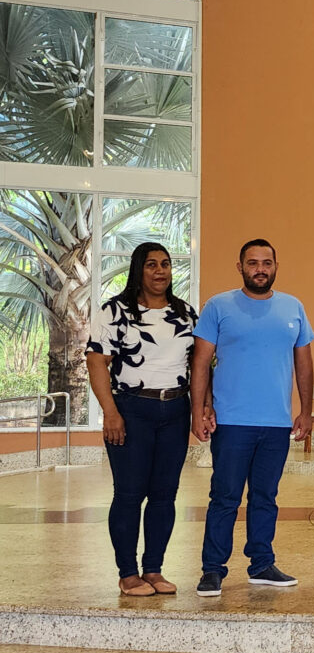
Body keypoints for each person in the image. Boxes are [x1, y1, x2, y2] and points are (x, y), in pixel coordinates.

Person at [190, 239, 314, 597]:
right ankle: (212, 569)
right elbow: (200, 362)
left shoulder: (293, 307)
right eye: (253, 262)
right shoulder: (218, 306)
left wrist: (305, 412)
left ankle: (261, 564)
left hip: (276, 423)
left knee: (265, 497)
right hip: (231, 423)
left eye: (266, 263)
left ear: (275, 266)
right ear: (240, 267)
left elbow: (304, 363)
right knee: (225, 497)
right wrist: (198, 411)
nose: (260, 269)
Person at [86, 243, 203, 596]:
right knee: (129, 493)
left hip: (175, 411)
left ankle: (153, 569)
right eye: (151, 264)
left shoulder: (185, 313)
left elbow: (200, 365)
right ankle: (127, 573)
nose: (160, 271)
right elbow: (96, 362)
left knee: (165, 495)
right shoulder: (115, 311)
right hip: (131, 410)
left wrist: (202, 408)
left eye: (165, 264)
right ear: (138, 270)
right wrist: (110, 413)